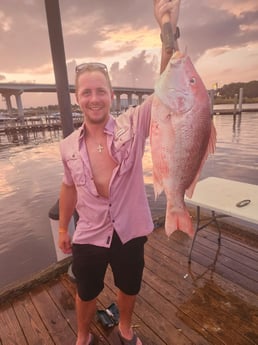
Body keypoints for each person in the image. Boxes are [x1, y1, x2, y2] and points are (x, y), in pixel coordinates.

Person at [58, 1, 180, 344]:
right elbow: (68, 187)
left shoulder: (134, 124)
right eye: (86, 92)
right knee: (86, 291)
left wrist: (166, 28)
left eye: (100, 91)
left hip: (129, 231)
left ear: (111, 95)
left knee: (129, 286)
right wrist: (63, 227)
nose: (94, 98)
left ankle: (125, 327)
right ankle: (83, 335)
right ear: (77, 98)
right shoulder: (67, 146)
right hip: (89, 234)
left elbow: (166, 88)